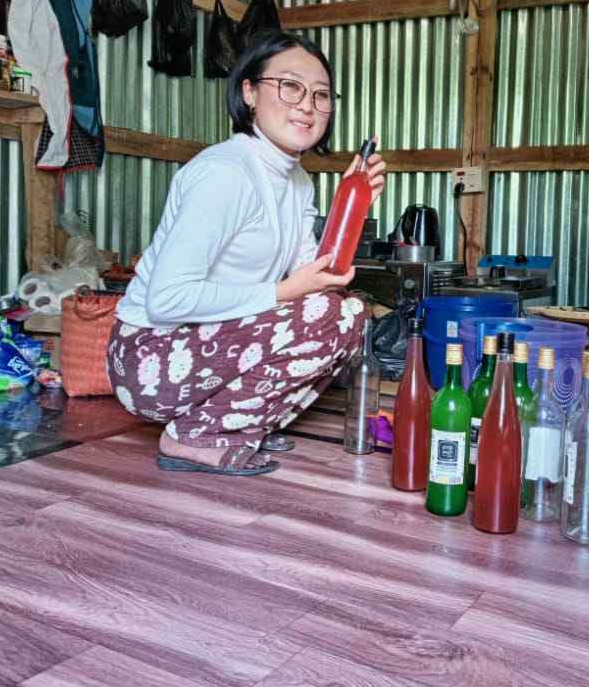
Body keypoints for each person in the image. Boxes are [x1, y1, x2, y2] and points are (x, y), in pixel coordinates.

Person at [106, 30, 386, 476]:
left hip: (206, 343)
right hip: (149, 357)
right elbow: (168, 299)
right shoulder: (225, 173)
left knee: (347, 313)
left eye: (321, 94)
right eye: (290, 87)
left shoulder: (297, 182)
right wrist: (282, 292)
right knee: (331, 316)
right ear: (250, 92)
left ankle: (235, 424)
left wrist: (350, 204)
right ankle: (194, 437)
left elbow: (315, 277)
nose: (308, 105)